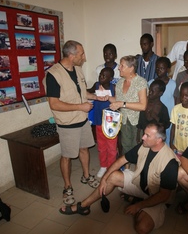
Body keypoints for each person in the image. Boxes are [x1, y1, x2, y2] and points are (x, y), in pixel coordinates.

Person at [59, 122, 179, 234]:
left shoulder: (170, 162)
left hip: (157, 196)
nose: (143, 137)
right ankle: (83, 206)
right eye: (144, 134)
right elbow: (121, 160)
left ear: (159, 140)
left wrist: (139, 206)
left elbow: (164, 195)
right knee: (113, 176)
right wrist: (104, 179)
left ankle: (138, 202)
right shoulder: (144, 146)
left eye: (147, 135)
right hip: (140, 183)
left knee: (142, 227)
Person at [44, 40, 97, 204]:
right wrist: (81, 107)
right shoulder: (53, 74)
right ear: (72, 55)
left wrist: (97, 96)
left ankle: (86, 176)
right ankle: (67, 187)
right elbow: (54, 104)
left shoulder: (78, 70)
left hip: (83, 121)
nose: (84, 57)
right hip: (67, 124)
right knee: (67, 156)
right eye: (81, 54)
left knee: (84, 149)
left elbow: (82, 93)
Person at [106, 55, 148, 157]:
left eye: (122, 65)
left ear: (131, 68)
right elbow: (117, 100)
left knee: (138, 147)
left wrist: (122, 104)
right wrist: (106, 97)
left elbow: (143, 106)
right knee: (125, 145)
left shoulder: (141, 82)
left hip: (137, 121)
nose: (119, 68)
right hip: (123, 120)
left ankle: (139, 170)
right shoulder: (120, 83)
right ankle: (127, 168)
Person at [87, 67, 117, 179]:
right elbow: (87, 91)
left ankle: (111, 168)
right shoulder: (96, 85)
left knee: (112, 147)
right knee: (101, 146)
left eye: (105, 76)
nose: (101, 77)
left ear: (111, 78)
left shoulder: (114, 87)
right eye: (100, 74)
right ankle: (103, 166)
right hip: (99, 121)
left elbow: (118, 100)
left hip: (111, 123)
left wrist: (110, 97)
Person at [148, 57, 176, 146]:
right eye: (157, 68)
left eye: (162, 68)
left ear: (168, 69)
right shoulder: (150, 83)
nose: (159, 70)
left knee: (167, 141)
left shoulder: (173, 84)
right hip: (154, 118)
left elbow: (177, 101)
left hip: (169, 119)